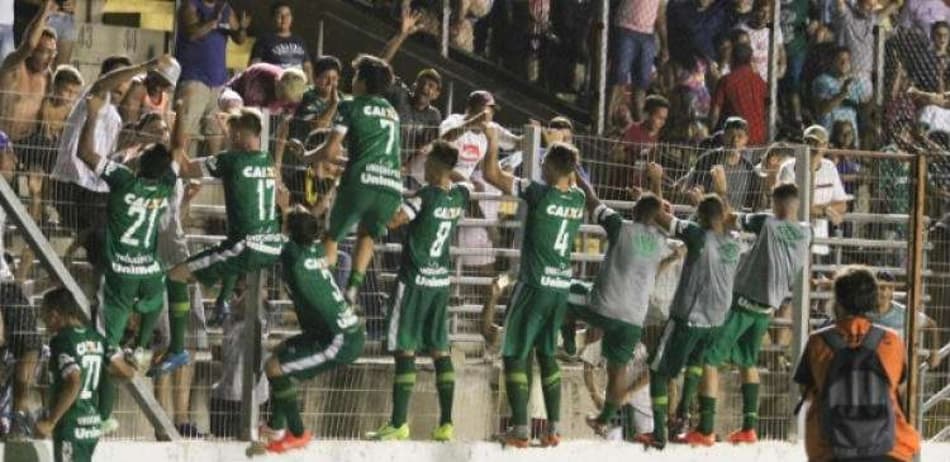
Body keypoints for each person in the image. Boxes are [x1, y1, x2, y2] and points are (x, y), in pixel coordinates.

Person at [75, 93, 182, 432]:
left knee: (107, 348)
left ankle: (103, 414)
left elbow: (86, 155)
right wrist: (178, 122)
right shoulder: (167, 185)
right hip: (150, 273)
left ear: (138, 164)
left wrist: (92, 116)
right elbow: (177, 154)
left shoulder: (123, 179)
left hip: (120, 272)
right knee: (152, 303)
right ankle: (141, 348)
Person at [152, 108, 283, 377]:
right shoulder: (267, 160)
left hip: (246, 245)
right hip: (271, 243)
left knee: (176, 276)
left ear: (236, 134)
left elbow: (186, 168)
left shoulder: (230, 160)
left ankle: (177, 348)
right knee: (227, 262)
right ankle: (225, 305)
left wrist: (177, 134)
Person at [481, 125, 586, 448]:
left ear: (553, 167)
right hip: (559, 286)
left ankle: (521, 429)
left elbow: (492, 174)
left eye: (544, 162)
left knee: (514, 354)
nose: (540, 167)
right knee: (547, 354)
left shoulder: (538, 192)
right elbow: (574, 181)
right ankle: (553, 429)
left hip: (533, 284)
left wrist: (492, 138)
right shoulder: (579, 198)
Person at [687, 183, 811, 446]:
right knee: (747, 361)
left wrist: (717, 190)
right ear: (796, 204)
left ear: (776, 204)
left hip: (743, 303)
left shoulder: (766, 222)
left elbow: (728, 218)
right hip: (767, 309)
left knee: (708, 357)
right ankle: (748, 428)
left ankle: (706, 429)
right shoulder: (807, 232)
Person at [366, 141, 469, 442]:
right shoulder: (460, 196)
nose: (423, 165)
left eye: (428, 161)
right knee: (439, 349)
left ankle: (399, 423)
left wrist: (382, 204)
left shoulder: (424, 197)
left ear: (436, 164)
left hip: (414, 283)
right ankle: (446, 424)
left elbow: (396, 220)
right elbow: (464, 182)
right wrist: (450, 173)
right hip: (440, 284)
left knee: (405, 350)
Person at [569, 163, 669, 440]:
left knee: (564, 289)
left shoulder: (620, 227)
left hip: (604, 308)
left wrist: (576, 168)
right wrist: (656, 181)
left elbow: (592, 199)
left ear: (634, 212)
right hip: (633, 320)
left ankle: (567, 338)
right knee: (617, 371)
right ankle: (603, 420)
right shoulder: (662, 240)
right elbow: (659, 212)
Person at [255, 208, 365, 453]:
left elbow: (269, 238)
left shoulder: (293, 256)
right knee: (281, 353)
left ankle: (297, 433)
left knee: (275, 368)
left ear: (290, 234)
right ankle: (275, 425)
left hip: (339, 339)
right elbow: (311, 235)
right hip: (332, 331)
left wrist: (278, 209)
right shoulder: (315, 249)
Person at [794, 266, 921, 462]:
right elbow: (900, 389)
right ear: (872, 300)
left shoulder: (818, 341)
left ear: (838, 302)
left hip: (832, 451)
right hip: (890, 450)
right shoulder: (891, 340)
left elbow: (806, 392)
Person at [647, 192, 741, 448]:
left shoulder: (697, 236)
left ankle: (658, 433)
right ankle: (683, 414)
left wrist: (650, 199)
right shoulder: (735, 240)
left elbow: (662, 218)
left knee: (657, 371)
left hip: (689, 317)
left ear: (700, 217)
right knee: (696, 364)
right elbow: (724, 217)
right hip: (716, 321)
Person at [310, 54, 400, 304]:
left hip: (361, 183)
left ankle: (323, 291)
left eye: (356, 76)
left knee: (331, 237)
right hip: (391, 186)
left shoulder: (350, 105)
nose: (353, 80)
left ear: (362, 81)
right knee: (367, 235)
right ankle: (352, 289)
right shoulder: (392, 112)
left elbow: (329, 151)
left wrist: (308, 156)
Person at [33, 287, 136, 462]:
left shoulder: (62, 340)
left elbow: (74, 382)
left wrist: (51, 421)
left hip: (71, 424)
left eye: (44, 314)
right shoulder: (97, 338)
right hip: (91, 425)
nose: (43, 320)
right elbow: (127, 372)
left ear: (55, 314)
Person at [174, 0, 250, 155]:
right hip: (193, 79)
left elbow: (240, 39)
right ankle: (182, 173)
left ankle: (212, 175)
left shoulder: (226, 8)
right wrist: (213, 21)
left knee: (216, 133)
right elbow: (192, 33)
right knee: (188, 132)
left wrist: (242, 27)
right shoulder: (191, 5)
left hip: (218, 81)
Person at [777, 125, 849, 255]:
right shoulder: (788, 167)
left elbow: (842, 205)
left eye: (818, 143)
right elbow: (790, 206)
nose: (814, 147)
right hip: (791, 240)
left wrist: (816, 210)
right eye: (810, 142)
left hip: (819, 243)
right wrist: (825, 210)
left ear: (826, 146)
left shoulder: (830, 167)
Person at [0, 1, 55, 145]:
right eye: (44, 52)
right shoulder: (13, 67)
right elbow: (29, 44)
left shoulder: (47, 76)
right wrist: (45, 9)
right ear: (31, 53)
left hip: (28, 144)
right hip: (2, 140)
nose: (50, 58)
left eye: (52, 53)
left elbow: (43, 109)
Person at [678, 117, 760, 210]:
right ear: (724, 136)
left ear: (746, 140)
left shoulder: (749, 170)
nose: (734, 140)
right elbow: (694, 189)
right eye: (730, 135)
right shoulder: (707, 160)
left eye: (740, 136)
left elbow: (754, 202)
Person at [607, 0, 667, 125]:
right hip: (626, 26)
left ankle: (637, 123)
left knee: (642, 82)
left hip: (647, 34)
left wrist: (664, 45)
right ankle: (607, 118)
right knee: (619, 76)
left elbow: (660, 15)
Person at [872, 271, 943, 370]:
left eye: (883, 288)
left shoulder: (904, 313)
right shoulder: (863, 312)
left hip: (896, 368)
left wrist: (935, 352)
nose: (878, 292)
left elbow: (931, 324)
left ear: (892, 290)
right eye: (875, 288)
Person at [709, 44, 767, 145]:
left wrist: (711, 134)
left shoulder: (726, 81)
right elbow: (767, 107)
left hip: (736, 139)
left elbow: (715, 113)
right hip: (759, 136)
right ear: (750, 60)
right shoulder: (759, 80)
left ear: (732, 59)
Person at [812, 47, 871, 144]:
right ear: (832, 62)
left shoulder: (855, 83)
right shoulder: (822, 81)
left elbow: (863, 110)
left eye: (847, 60)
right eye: (840, 60)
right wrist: (843, 93)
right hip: (829, 135)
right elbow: (822, 108)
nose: (844, 63)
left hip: (850, 138)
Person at [249, 1, 313, 82]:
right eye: (280, 15)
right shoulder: (263, 41)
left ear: (292, 18)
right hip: (274, 88)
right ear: (273, 18)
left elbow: (307, 67)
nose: (284, 18)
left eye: (287, 15)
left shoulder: (299, 41)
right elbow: (253, 68)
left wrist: (311, 86)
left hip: (298, 88)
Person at [226, 62, 307, 114]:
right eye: (283, 97)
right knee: (235, 106)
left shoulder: (296, 92)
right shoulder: (258, 83)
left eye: (288, 100)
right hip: (235, 93)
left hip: (265, 104)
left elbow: (290, 114)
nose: (285, 102)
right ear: (277, 84)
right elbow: (249, 112)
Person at [120, 59, 181, 124]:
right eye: (156, 81)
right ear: (150, 74)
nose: (157, 88)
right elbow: (128, 122)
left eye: (163, 85)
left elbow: (165, 124)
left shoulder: (165, 98)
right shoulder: (138, 87)